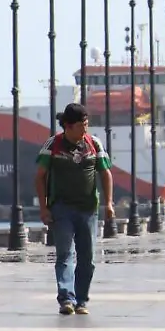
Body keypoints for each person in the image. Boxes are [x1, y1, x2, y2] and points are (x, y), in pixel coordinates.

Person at [34, 103, 115, 316]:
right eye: (81, 125)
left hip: (88, 210)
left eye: (87, 125)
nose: (85, 130)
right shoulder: (53, 144)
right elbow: (40, 177)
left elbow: (106, 174)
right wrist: (43, 208)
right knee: (64, 255)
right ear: (68, 126)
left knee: (87, 258)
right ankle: (66, 299)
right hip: (61, 209)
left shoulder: (94, 144)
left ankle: (82, 300)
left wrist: (109, 203)